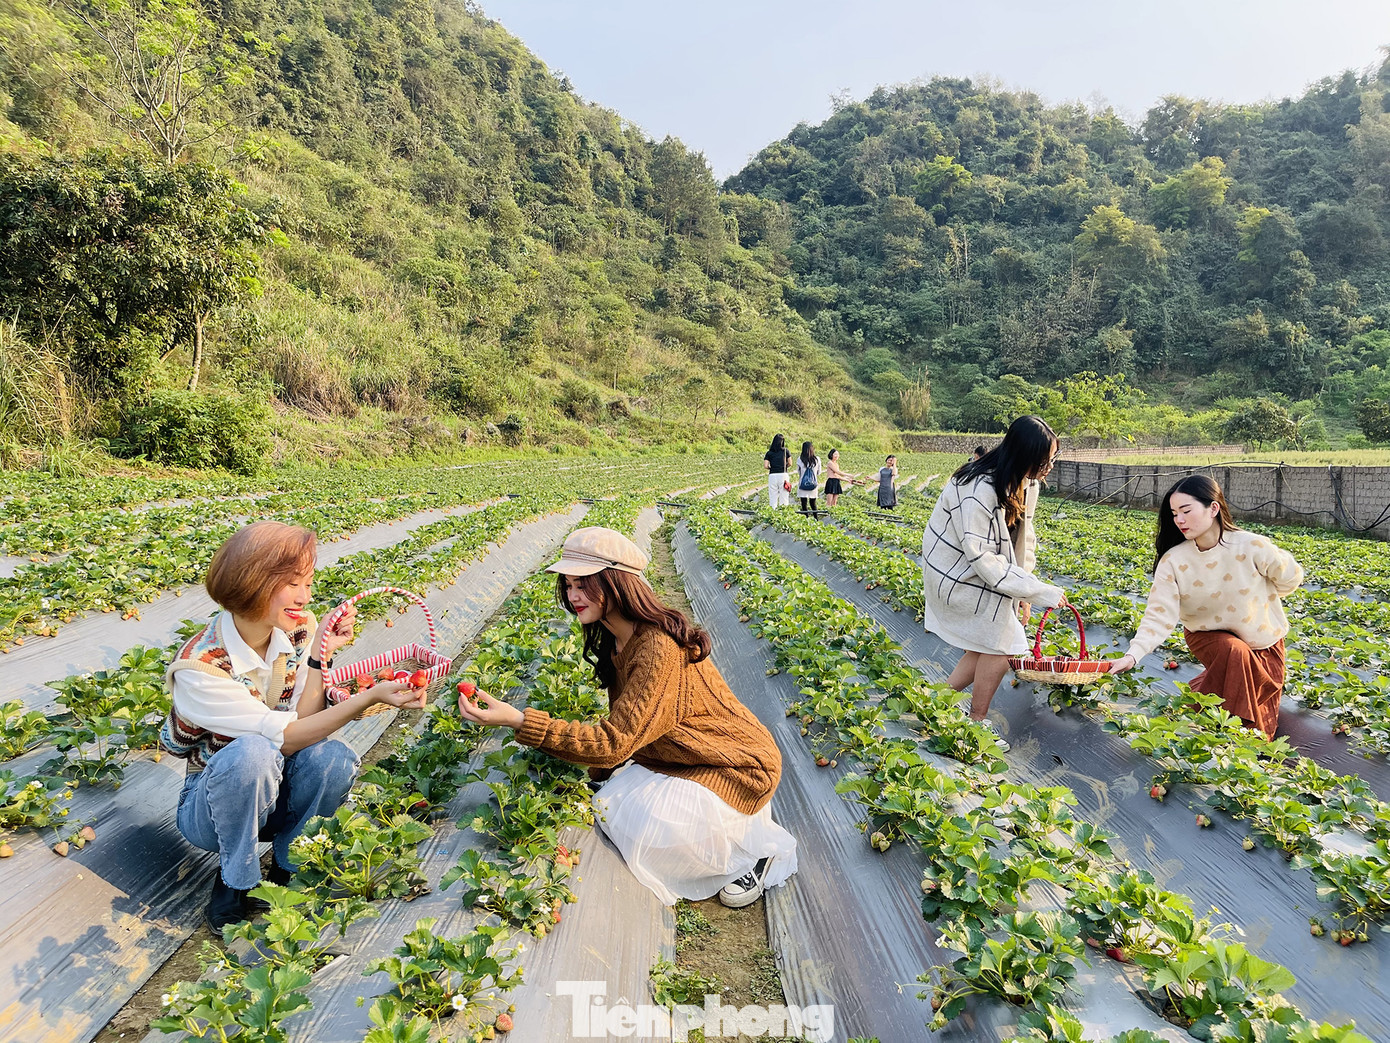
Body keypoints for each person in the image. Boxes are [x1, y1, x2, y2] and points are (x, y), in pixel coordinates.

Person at [456, 527, 797, 908]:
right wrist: (602, 773)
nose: (572, 596)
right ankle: (735, 833)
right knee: (610, 805)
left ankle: (754, 856)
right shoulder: (615, 635)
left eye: (583, 585)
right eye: (568, 585)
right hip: (680, 757)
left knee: (645, 828)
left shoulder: (656, 648)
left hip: (735, 766)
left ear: (616, 584)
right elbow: (627, 724)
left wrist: (521, 722)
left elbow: (613, 742)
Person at [160, 521, 428, 930]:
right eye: (293, 584)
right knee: (253, 752)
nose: (305, 597)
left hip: (277, 791)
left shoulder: (297, 629)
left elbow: (302, 718)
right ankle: (235, 879)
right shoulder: (201, 666)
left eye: (308, 583)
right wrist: (368, 697)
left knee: (334, 756)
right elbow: (283, 739)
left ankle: (291, 864)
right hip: (214, 809)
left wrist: (321, 653)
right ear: (253, 583)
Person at [1109, 475, 1303, 738]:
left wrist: (1263, 597)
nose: (1179, 520)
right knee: (1234, 652)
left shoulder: (1252, 546)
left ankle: (1202, 707)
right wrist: (1133, 654)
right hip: (1208, 636)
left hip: (1265, 642)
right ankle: (1229, 739)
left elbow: (1290, 577)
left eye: (1186, 511)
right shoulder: (1174, 561)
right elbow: (1159, 613)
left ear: (1213, 508)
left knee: (1261, 715)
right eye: (1174, 513)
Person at [920, 417, 1067, 751]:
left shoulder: (1027, 483)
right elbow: (982, 557)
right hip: (955, 571)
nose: (1049, 467)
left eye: (1052, 460)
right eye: (1045, 461)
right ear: (1024, 455)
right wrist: (1039, 591)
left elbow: (1022, 539)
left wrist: (1024, 592)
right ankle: (975, 725)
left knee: (984, 644)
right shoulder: (978, 488)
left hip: (985, 568)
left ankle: (934, 702)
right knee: (1003, 645)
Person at [763, 434, 792, 509]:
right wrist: (784, 467)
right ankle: (784, 512)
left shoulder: (769, 453)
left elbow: (765, 466)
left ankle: (773, 511)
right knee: (784, 496)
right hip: (783, 474)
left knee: (773, 496)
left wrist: (771, 468)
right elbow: (790, 463)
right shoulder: (785, 451)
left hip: (772, 475)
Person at [796, 441, 822, 514]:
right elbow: (819, 472)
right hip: (813, 484)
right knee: (813, 503)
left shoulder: (800, 459)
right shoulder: (817, 459)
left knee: (804, 503)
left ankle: (806, 518)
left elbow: (798, 472)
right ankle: (815, 518)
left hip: (803, 484)